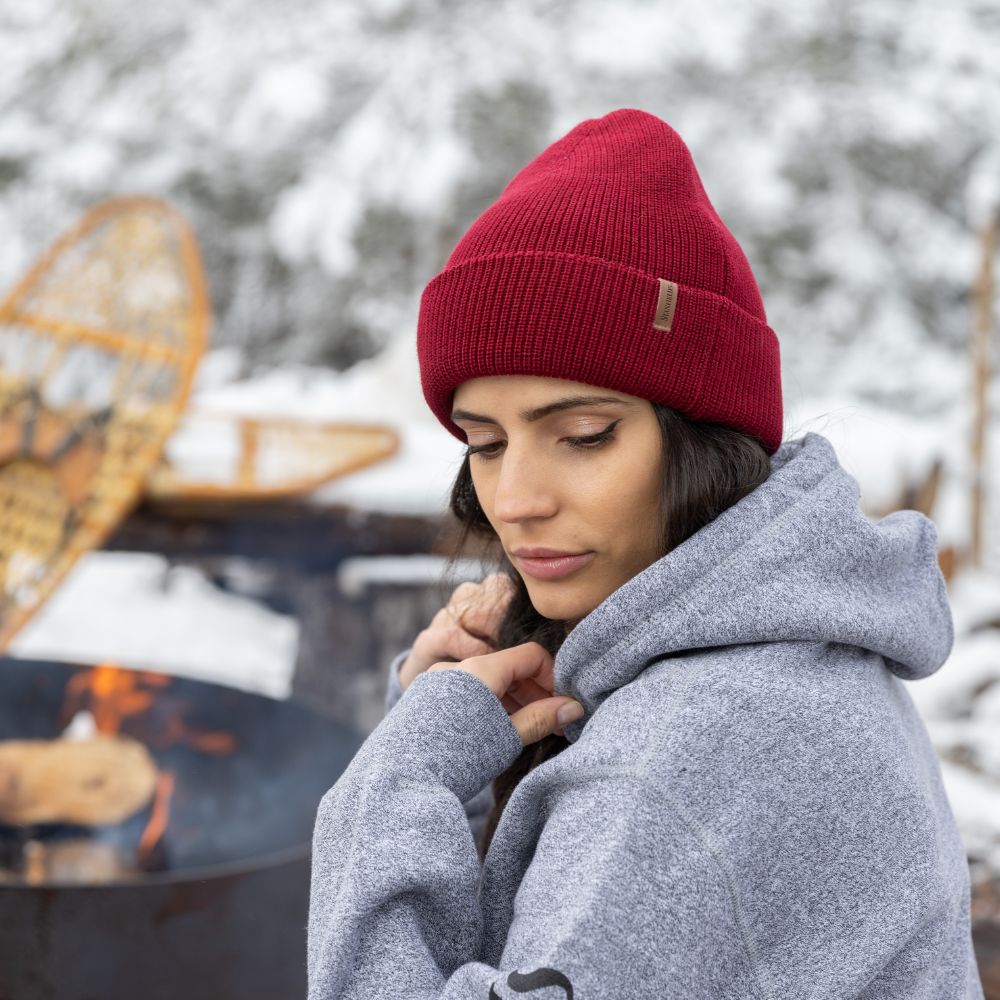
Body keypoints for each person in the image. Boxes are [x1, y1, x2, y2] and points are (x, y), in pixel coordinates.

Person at [307, 108, 984, 999]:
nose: (515, 501)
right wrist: (454, 766)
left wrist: (404, 776)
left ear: (704, 440)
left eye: (584, 434)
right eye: (487, 441)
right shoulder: (786, 667)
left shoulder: (687, 758)